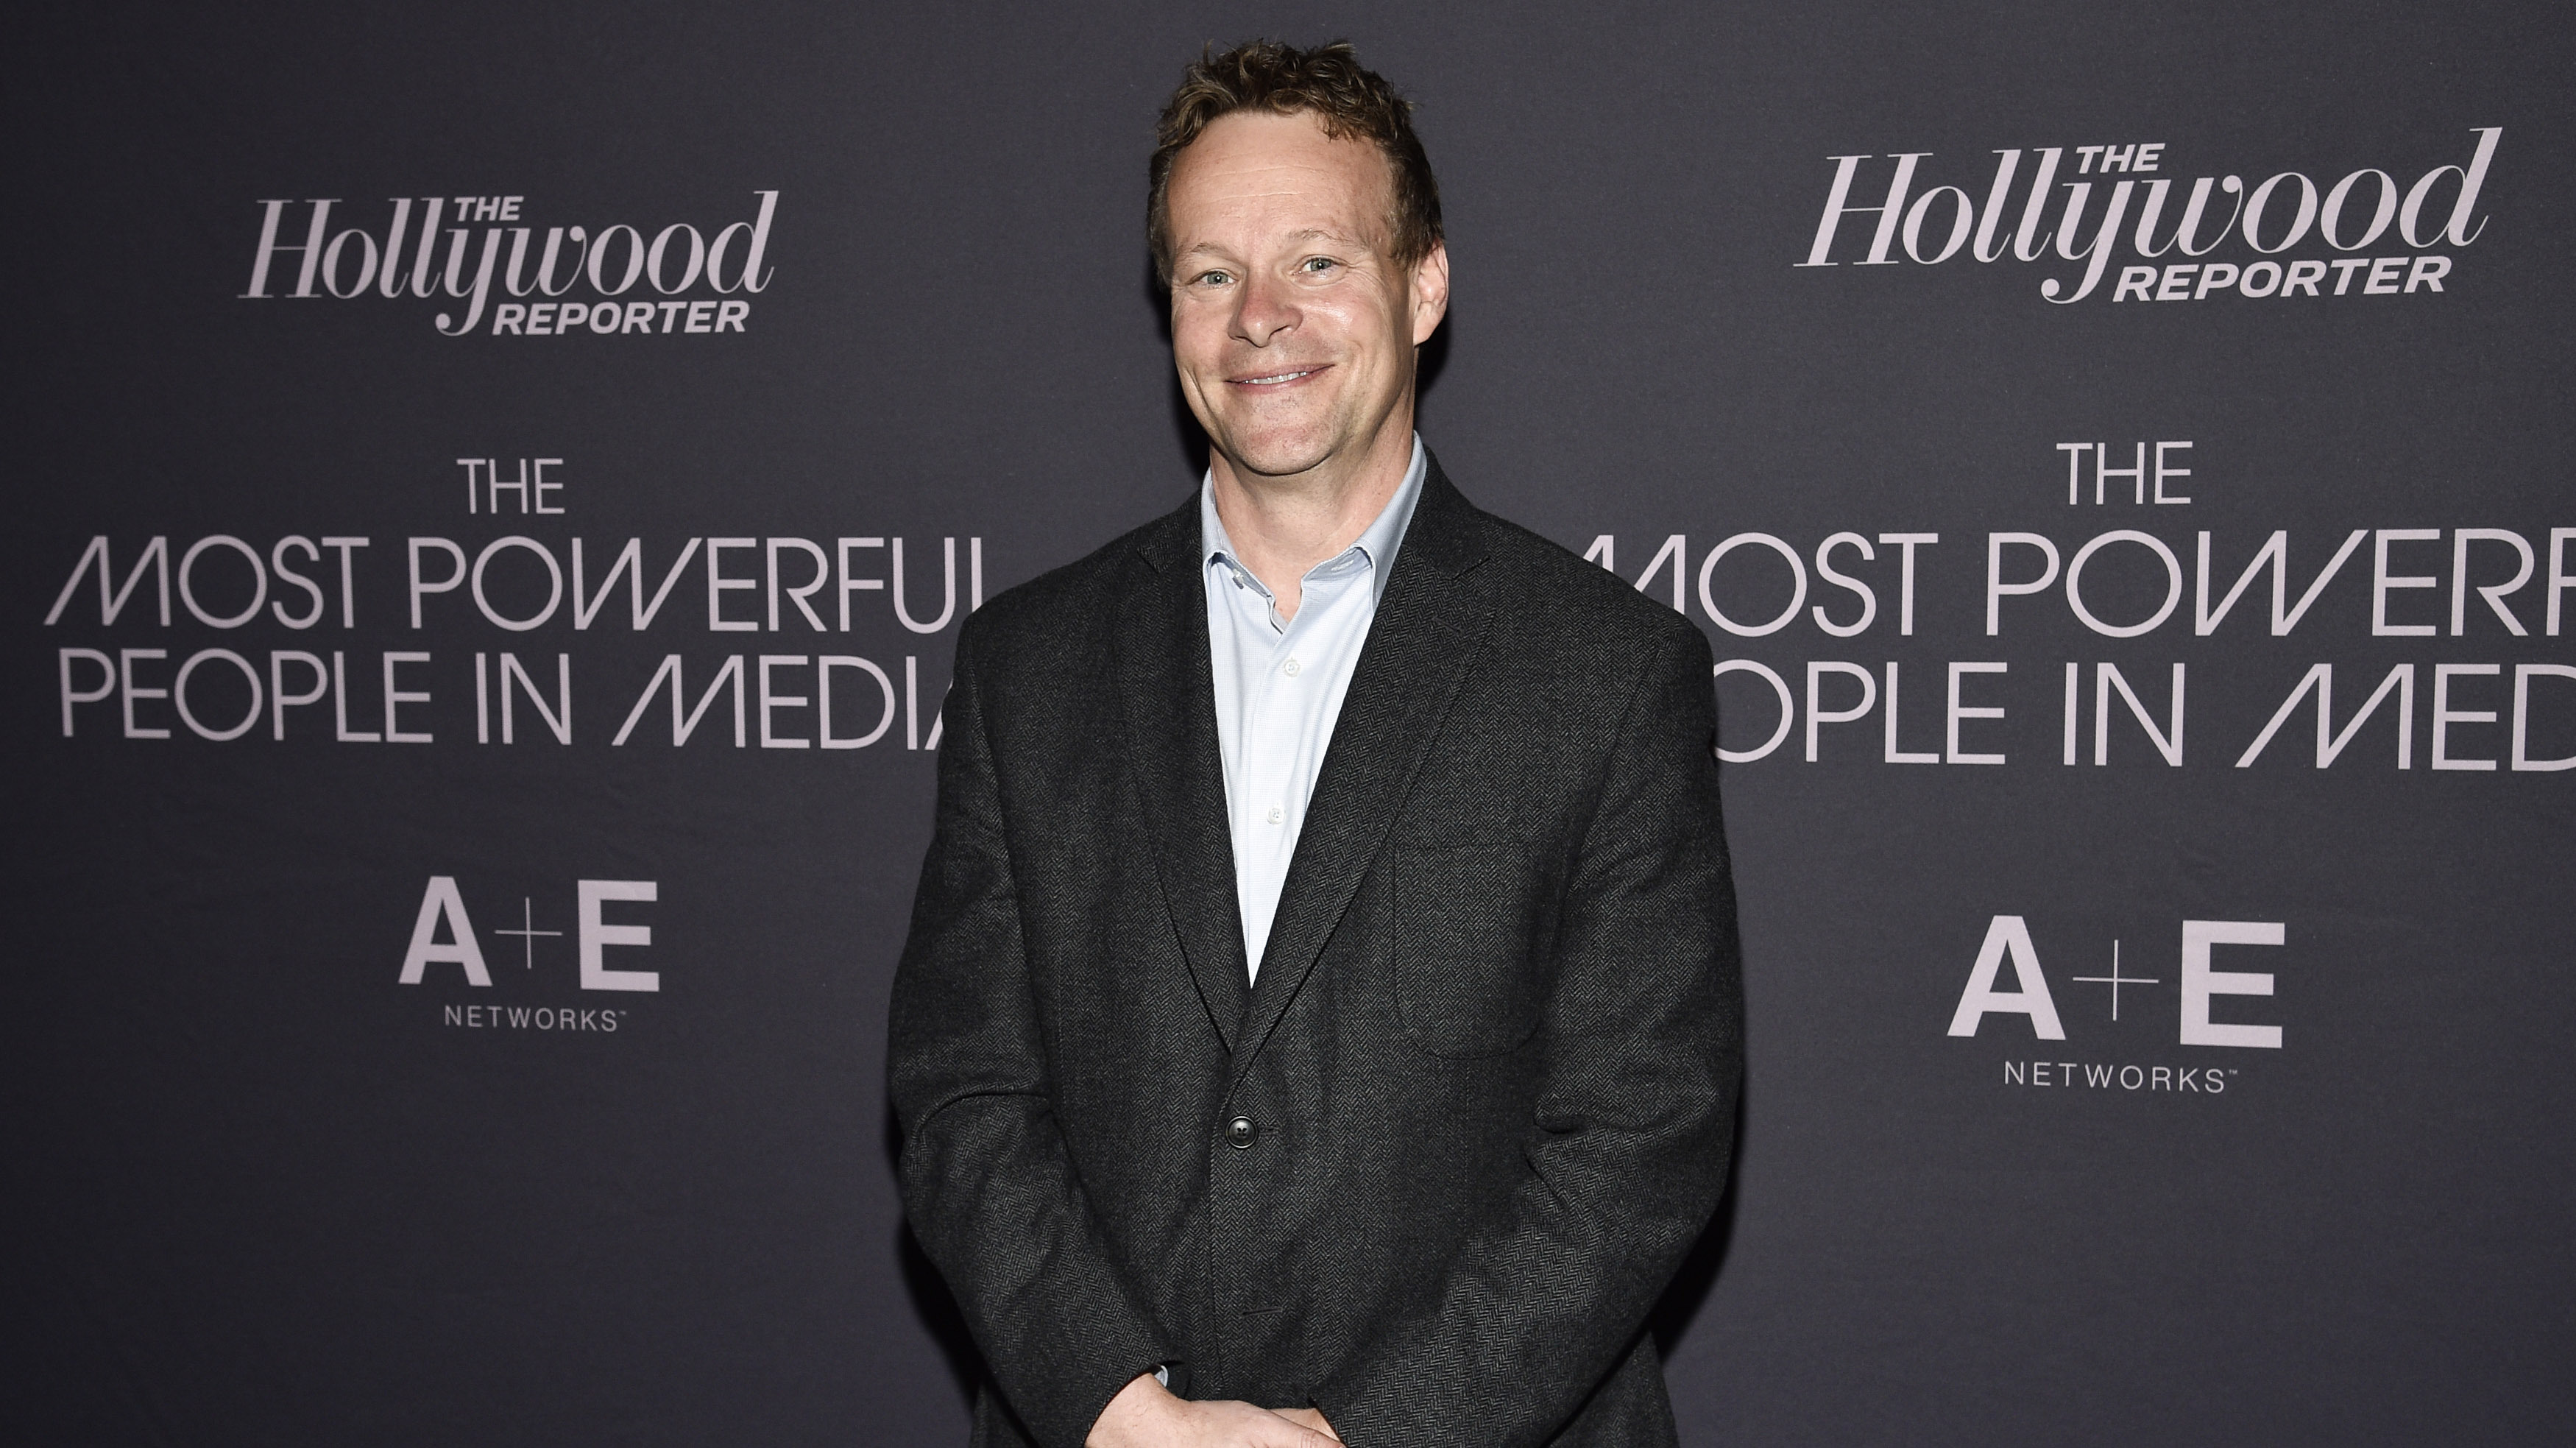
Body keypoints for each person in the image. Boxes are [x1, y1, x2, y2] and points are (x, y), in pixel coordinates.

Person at [889, 39, 1742, 1447]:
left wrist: (1362, 1438)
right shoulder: (1026, 666)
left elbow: (1643, 1133)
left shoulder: (1607, 671)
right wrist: (1123, 1411)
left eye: (1318, 262)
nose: (1259, 319)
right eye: (1210, 273)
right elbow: (963, 1093)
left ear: (1425, 285)